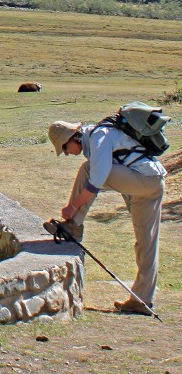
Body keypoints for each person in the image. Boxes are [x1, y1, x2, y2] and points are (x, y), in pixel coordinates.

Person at [45, 118, 166, 315]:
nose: (67, 153)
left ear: (73, 138)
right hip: (150, 183)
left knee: (88, 169)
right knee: (146, 243)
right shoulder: (98, 137)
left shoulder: (97, 136)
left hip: (146, 181)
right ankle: (142, 300)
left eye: (65, 148)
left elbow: (98, 179)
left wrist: (72, 206)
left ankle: (74, 224)